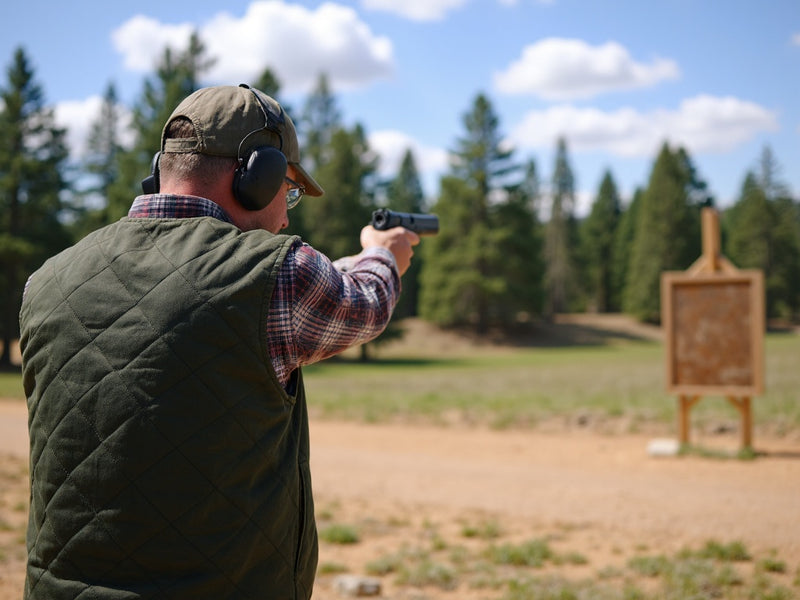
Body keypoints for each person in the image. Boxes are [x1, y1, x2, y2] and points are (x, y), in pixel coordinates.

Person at [19, 83, 419, 600]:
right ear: (258, 175)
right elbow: (364, 303)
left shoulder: (44, 283)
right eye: (289, 190)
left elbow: (193, 295)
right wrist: (384, 254)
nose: (287, 215)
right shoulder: (280, 276)